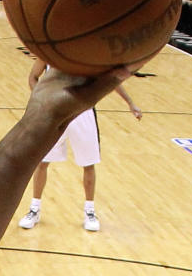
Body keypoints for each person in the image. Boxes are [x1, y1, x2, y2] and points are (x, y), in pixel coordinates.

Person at [18, 57, 143, 233]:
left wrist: (130, 103)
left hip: (83, 113)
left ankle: (90, 212)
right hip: (55, 112)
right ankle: (34, 209)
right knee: (43, 162)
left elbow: (111, 81)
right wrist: (39, 98)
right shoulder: (48, 53)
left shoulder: (86, 53)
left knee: (88, 163)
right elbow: (33, 76)